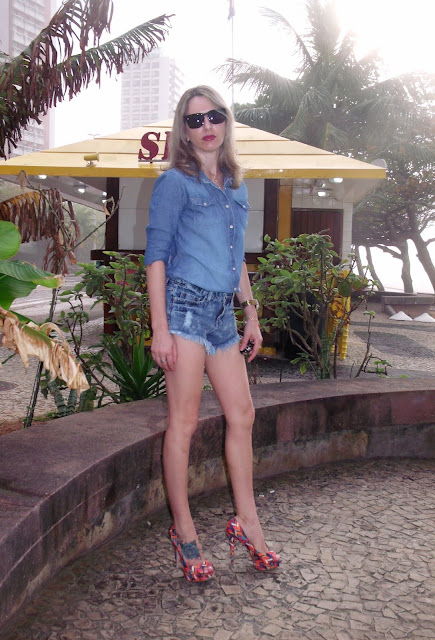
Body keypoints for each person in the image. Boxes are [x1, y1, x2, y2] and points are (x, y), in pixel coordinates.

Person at [144, 85, 280, 582]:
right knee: (183, 423)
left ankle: (247, 523)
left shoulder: (237, 186)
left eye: (215, 116)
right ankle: (184, 532)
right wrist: (160, 329)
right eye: (195, 119)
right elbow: (156, 257)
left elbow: (234, 256)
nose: (207, 127)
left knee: (242, 415)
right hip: (182, 311)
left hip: (223, 315)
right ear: (184, 130)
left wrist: (251, 314)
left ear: (227, 121)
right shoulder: (174, 183)